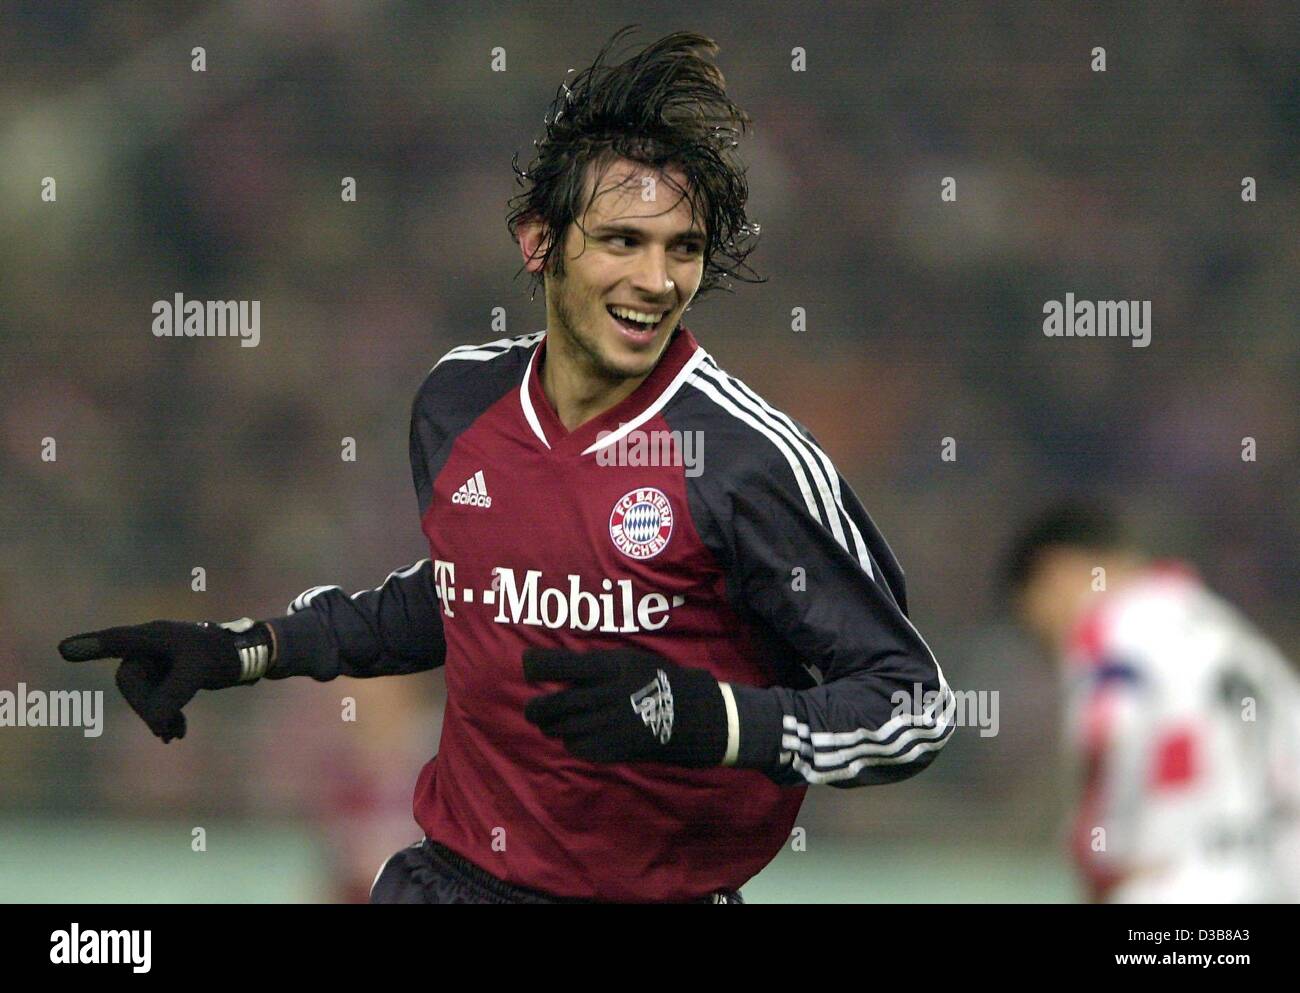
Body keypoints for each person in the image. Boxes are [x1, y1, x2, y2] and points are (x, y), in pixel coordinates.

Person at [58, 27, 953, 904]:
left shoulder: (747, 461)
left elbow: (912, 709)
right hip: (448, 881)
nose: (658, 279)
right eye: (621, 241)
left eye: (682, 248)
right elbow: (463, 592)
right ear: (539, 242)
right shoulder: (458, 401)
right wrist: (250, 648)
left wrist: (712, 719)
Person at [1003, 500, 1300, 903]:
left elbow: (1108, 733)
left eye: (1036, 620)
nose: (1047, 640)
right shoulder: (1229, 631)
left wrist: (1099, 860)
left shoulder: (1108, 625)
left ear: (1055, 573)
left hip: (1180, 881)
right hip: (1278, 874)